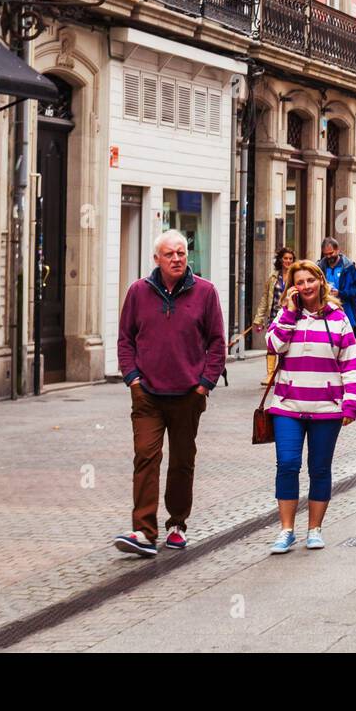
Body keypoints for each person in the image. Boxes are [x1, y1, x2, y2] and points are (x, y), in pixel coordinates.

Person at [113, 229, 225, 557]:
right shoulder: (138, 292)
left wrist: (205, 382)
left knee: (181, 460)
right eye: (169, 254)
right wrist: (132, 377)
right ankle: (144, 532)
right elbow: (125, 339)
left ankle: (177, 524)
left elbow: (217, 341)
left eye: (181, 253)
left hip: (189, 393)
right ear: (156, 259)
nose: (177, 259)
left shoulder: (205, 292)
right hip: (146, 393)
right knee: (146, 457)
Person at [264, 260, 356, 554]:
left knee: (319, 468)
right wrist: (290, 314)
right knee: (288, 465)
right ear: (293, 287)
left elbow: (350, 364)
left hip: (326, 408)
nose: (305, 286)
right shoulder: (286, 316)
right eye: (299, 282)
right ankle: (286, 530)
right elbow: (272, 345)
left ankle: (315, 529)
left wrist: (351, 403)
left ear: (320, 282)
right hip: (288, 406)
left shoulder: (338, 318)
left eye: (310, 280)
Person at [251, 246, 296, 385]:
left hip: (290, 316)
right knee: (271, 346)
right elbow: (265, 299)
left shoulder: (296, 277)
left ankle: (285, 375)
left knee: (287, 347)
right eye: (285, 258)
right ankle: (270, 375)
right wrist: (259, 318)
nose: (288, 261)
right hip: (274, 316)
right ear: (280, 260)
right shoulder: (273, 278)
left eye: (290, 259)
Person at [320, 238, 356, 335]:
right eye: (326, 254)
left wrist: (341, 293)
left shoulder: (349, 267)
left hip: (346, 312)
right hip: (326, 312)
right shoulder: (320, 267)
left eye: (331, 253)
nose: (329, 256)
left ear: (338, 250)